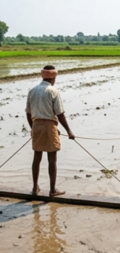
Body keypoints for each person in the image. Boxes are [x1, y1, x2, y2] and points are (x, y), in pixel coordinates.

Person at [26, 65, 75, 197]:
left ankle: (35, 188)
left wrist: (33, 128)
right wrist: (69, 131)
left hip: (36, 125)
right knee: (52, 159)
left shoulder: (32, 90)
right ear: (53, 78)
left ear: (43, 76)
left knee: (37, 157)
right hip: (49, 125)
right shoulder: (53, 91)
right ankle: (53, 190)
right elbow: (60, 114)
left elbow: (28, 113)